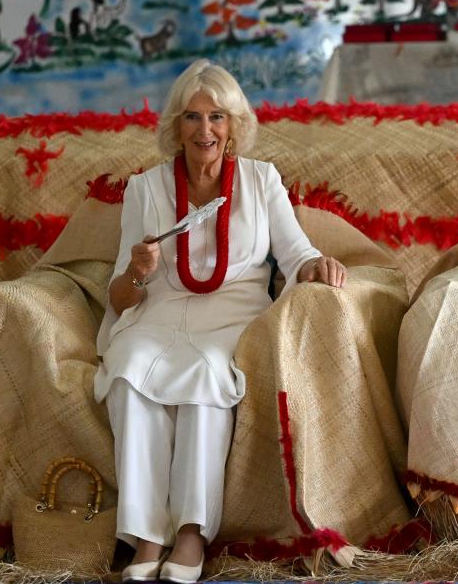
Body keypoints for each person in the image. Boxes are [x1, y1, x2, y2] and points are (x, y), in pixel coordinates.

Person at [93, 58, 346, 584]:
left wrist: (315, 264)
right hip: (156, 314)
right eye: (192, 117)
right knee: (128, 365)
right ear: (175, 127)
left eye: (216, 117)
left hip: (231, 318)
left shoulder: (260, 180)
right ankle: (145, 536)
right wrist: (138, 274)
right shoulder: (145, 189)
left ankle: (190, 533)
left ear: (233, 127)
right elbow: (119, 297)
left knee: (209, 371)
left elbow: (296, 252)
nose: (204, 129)